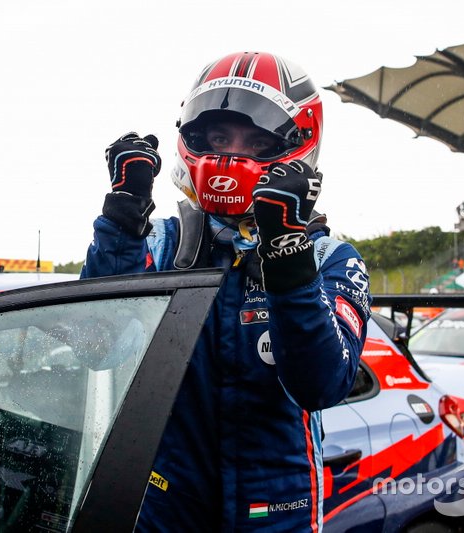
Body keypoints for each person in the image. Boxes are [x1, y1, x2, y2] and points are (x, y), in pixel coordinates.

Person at [81, 51, 370, 531]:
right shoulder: (161, 241)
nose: (232, 154)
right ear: (193, 137)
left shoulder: (331, 258)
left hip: (278, 507)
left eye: (257, 141)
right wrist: (121, 218)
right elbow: (100, 346)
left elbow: (319, 385)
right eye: (218, 137)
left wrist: (287, 254)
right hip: (167, 496)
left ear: (296, 145)